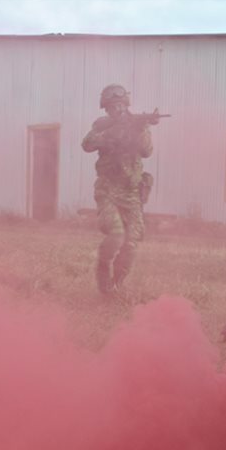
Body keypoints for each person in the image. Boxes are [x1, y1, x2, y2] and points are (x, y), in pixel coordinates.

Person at [81, 84, 154, 297]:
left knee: (132, 241)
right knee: (116, 234)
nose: (117, 110)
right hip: (108, 190)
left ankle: (116, 285)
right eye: (112, 107)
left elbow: (147, 151)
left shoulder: (138, 125)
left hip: (131, 192)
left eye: (120, 105)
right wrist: (113, 133)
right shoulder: (102, 125)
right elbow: (86, 144)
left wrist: (140, 129)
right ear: (106, 109)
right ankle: (104, 278)